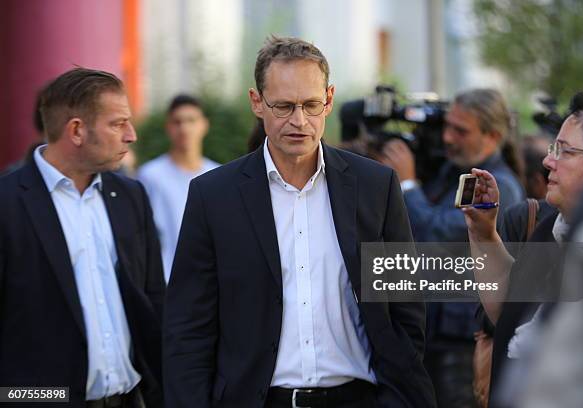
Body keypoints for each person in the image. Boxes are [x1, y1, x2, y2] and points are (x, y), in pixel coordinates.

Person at [164, 36, 435, 408]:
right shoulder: (213, 197)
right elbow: (188, 328)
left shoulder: (375, 186)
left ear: (329, 99)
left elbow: (406, 307)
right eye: (284, 106)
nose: (299, 121)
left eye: (310, 104)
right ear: (256, 103)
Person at [0, 68, 165, 408]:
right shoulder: (7, 203)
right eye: (118, 123)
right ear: (76, 130)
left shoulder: (131, 196)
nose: (131, 135)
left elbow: (153, 300)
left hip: (131, 399)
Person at [463, 92, 583, 407]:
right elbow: (507, 311)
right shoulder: (551, 227)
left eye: (565, 151)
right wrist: (483, 232)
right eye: (552, 148)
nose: (548, 161)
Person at [382, 88, 525, 408]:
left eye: (460, 131)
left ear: (492, 135)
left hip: (461, 344)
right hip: (434, 335)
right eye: (446, 126)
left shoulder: (495, 183)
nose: (447, 138)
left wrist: (407, 184)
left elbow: (438, 236)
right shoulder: (450, 170)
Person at [138, 95, 220, 281]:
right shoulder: (150, 176)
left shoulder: (217, 175)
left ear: (204, 125)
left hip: (208, 283)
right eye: (177, 122)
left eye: (191, 120)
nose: (184, 128)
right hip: (165, 282)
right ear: (168, 127)